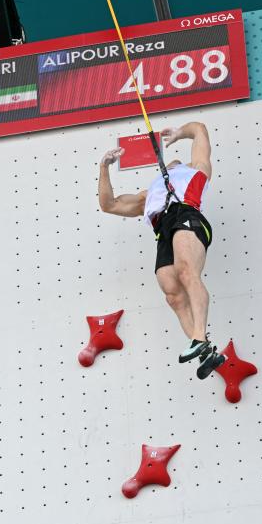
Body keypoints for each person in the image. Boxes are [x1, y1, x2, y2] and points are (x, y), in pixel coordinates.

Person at [97, 121, 224, 379]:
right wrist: (104, 167)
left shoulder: (198, 170)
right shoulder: (149, 194)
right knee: (173, 294)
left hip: (186, 213)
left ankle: (199, 335)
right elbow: (109, 205)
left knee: (187, 272)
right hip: (162, 229)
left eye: (179, 160)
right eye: (172, 161)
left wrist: (179, 133)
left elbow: (200, 129)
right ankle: (205, 350)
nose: (175, 161)